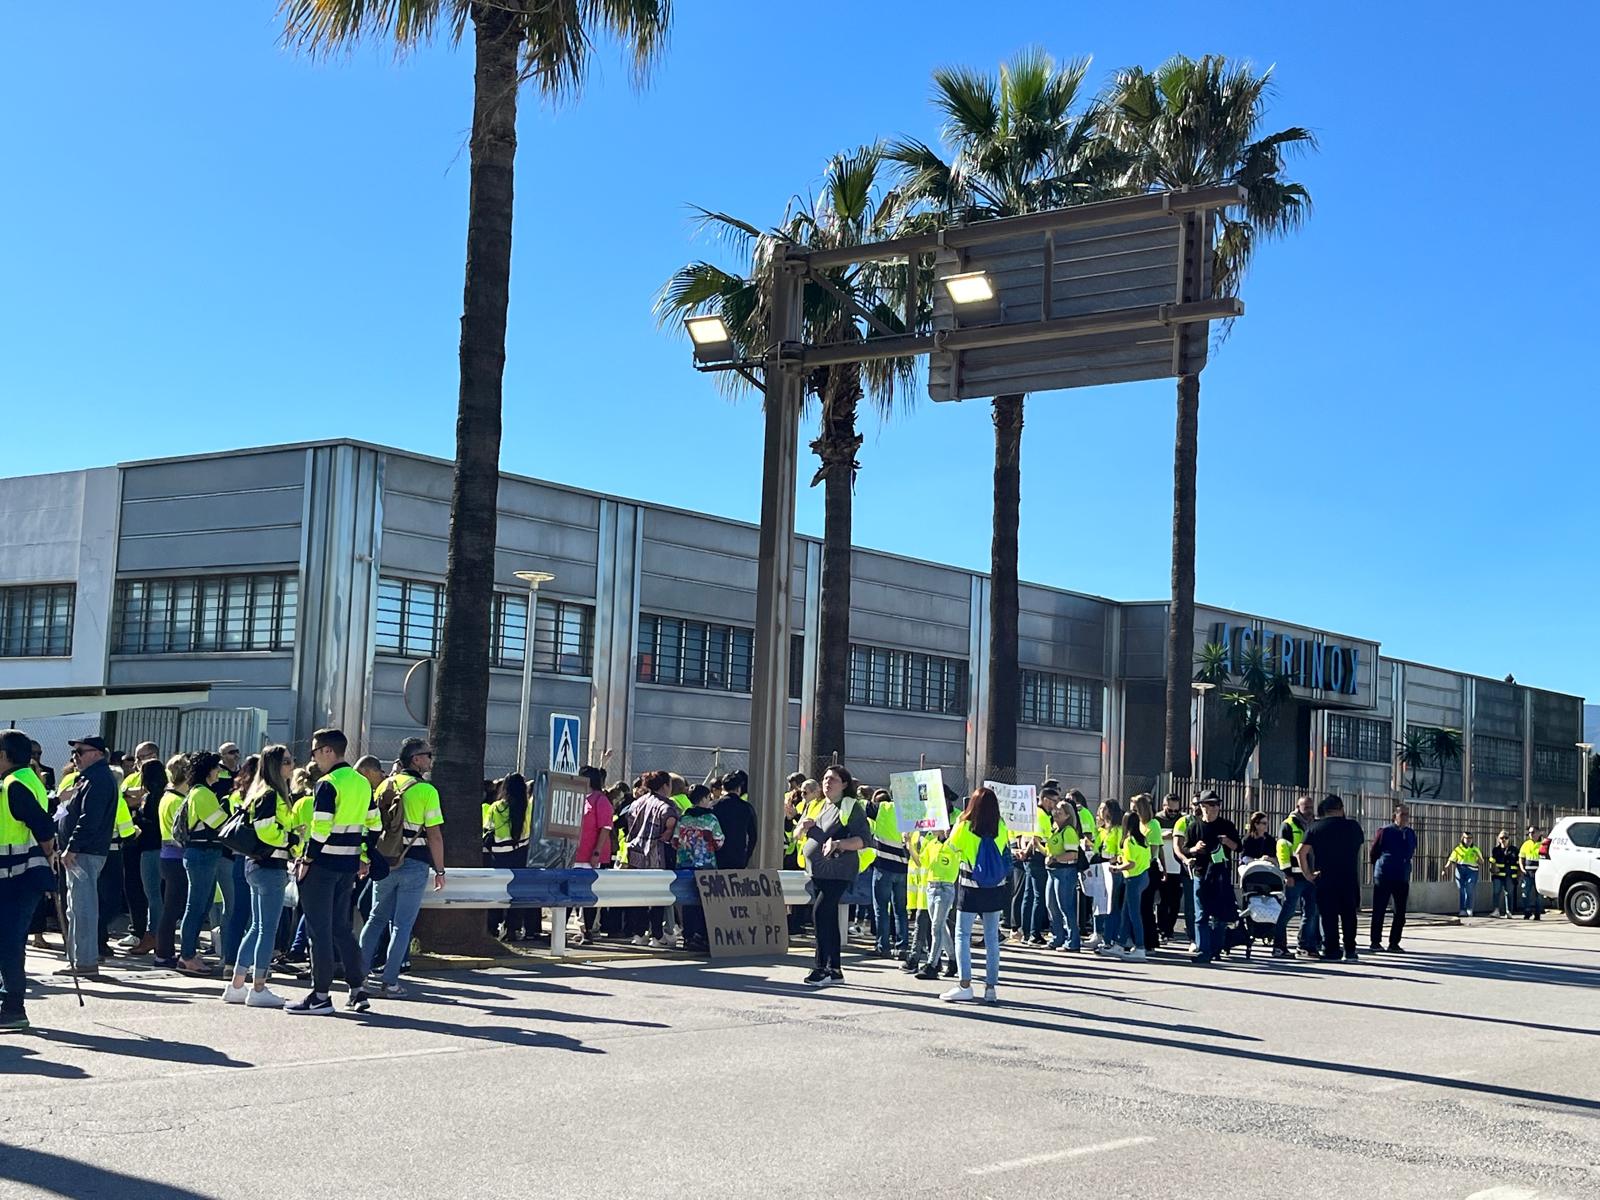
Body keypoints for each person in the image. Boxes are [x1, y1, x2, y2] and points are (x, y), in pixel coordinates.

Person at [288, 728, 378, 1016]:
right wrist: (363, 856)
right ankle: (357, 989)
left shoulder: (327, 784)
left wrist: (307, 860)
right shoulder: (363, 783)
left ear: (328, 751)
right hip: (348, 866)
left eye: (315, 751)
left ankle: (321, 995)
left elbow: (321, 828)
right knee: (342, 927)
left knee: (319, 930)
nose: (313, 757)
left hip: (323, 865)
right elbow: (374, 825)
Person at [359, 737, 446, 997]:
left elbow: (370, 826)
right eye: (427, 755)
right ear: (415, 759)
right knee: (402, 925)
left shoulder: (384, 785)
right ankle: (390, 981)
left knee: (375, 919)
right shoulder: (427, 791)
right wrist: (440, 870)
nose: (430, 759)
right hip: (415, 861)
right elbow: (435, 835)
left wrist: (366, 857)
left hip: (384, 861)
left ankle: (359, 976)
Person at [225, 744, 299, 1008]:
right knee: (267, 929)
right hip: (270, 866)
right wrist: (291, 841)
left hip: (255, 864)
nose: (292, 765)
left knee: (257, 927)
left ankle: (237, 985)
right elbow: (267, 831)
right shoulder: (273, 794)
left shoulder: (259, 792)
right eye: (288, 761)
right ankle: (258, 988)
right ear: (277, 766)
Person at [1, 730, 58, 1031]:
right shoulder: (24, 778)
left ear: (4, 755)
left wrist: (49, 855)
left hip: (18, 877)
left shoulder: (14, 784)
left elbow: (42, 824)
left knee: (9, 942)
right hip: (19, 876)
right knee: (9, 941)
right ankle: (9, 1003)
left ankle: (13, 1007)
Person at [798, 765, 871, 986]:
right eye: (825, 778)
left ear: (845, 784)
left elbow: (864, 839)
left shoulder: (851, 806)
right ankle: (834, 968)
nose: (828, 782)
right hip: (820, 872)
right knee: (826, 917)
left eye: (834, 779)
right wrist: (808, 827)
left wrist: (839, 843)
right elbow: (811, 835)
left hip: (838, 871)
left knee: (821, 913)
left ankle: (823, 967)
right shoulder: (821, 805)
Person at [55, 735, 119, 980]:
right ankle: (77, 959)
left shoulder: (98, 779)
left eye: (79, 752)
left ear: (97, 753)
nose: (75, 757)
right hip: (82, 851)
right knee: (76, 907)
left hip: (84, 852)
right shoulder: (91, 778)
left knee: (83, 907)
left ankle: (85, 961)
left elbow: (89, 818)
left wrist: (72, 847)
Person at [941, 787, 1011, 1004]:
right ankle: (991, 988)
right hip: (995, 888)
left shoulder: (964, 827)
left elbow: (950, 849)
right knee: (991, 938)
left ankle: (965, 984)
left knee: (962, 934)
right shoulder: (1001, 826)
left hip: (970, 887)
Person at [175, 751, 229, 977]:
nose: (219, 771)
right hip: (202, 854)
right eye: (217, 767)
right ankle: (187, 955)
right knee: (196, 905)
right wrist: (229, 806)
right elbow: (220, 823)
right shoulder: (203, 794)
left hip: (200, 854)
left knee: (202, 904)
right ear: (208, 769)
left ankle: (189, 953)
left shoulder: (197, 792)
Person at [1296, 795, 1365, 962]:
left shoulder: (1315, 827)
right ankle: (1350, 949)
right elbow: (1360, 850)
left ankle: (1332, 949)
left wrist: (1308, 874)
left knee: (1328, 915)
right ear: (1341, 808)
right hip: (1349, 877)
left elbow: (1300, 852)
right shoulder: (1353, 826)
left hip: (1325, 878)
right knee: (1349, 915)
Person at [1183, 791, 1240, 965]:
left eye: (1217, 804)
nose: (1216, 808)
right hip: (1201, 873)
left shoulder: (1227, 825)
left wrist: (1227, 841)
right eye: (1211, 804)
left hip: (1221, 874)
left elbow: (1238, 847)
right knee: (1201, 914)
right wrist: (1194, 849)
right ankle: (1203, 950)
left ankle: (1216, 949)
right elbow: (1185, 848)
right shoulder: (1194, 826)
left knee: (1220, 915)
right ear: (1202, 807)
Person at [624, 770, 678, 948]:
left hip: (636, 855)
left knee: (639, 896)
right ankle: (657, 935)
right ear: (665, 786)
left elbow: (628, 819)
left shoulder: (638, 802)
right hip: (656, 856)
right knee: (657, 897)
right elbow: (670, 823)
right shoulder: (666, 805)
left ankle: (639, 934)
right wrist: (667, 834)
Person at [123, 758, 168, 958]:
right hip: (165, 849)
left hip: (150, 848)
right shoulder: (167, 795)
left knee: (152, 895)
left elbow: (151, 824)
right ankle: (159, 935)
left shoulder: (150, 798)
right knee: (160, 895)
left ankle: (152, 934)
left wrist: (136, 818)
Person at [673, 784, 725, 952]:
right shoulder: (711, 819)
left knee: (687, 903)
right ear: (703, 799)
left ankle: (688, 936)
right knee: (705, 902)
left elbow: (674, 841)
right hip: (706, 865)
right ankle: (701, 936)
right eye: (708, 798)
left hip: (684, 864)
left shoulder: (684, 818)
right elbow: (719, 842)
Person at [152, 756, 192, 968]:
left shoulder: (167, 796)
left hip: (167, 856)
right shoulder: (178, 800)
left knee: (171, 907)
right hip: (177, 858)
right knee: (173, 909)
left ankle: (165, 951)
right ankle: (164, 952)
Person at [484, 773, 533, 941]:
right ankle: (512, 929)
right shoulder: (528, 808)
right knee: (517, 893)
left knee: (496, 892)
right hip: (521, 854)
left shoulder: (496, 807)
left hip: (499, 856)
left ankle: (492, 927)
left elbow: (487, 830)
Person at [1273, 795, 1319, 959]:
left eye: (1311, 807)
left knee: (1311, 912)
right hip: (1295, 876)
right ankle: (1279, 946)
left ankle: (1305, 946)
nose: (1309, 810)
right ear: (1298, 807)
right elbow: (1282, 850)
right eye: (1306, 807)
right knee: (1288, 911)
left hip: (1311, 876)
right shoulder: (1288, 825)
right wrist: (1287, 874)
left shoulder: (1314, 824)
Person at [572, 765, 614, 945]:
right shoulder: (580, 799)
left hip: (590, 855)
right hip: (576, 855)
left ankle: (589, 930)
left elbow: (605, 828)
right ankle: (576, 928)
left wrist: (596, 852)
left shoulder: (600, 800)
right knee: (572, 892)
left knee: (587, 893)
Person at [1103, 809, 1153, 961]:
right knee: (1125, 912)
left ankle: (1140, 947)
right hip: (1144, 876)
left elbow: (1131, 863)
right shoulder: (1143, 839)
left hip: (1133, 878)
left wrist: (1117, 868)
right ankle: (1120, 943)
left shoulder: (1128, 841)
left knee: (1134, 914)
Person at [1043, 792, 1089, 952]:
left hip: (1065, 872)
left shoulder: (1068, 831)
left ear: (1068, 816)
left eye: (1059, 812)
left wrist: (1055, 858)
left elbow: (1073, 854)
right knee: (1052, 906)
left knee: (1065, 907)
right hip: (1053, 871)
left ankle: (1073, 940)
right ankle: (1058, 937)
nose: (1055, 813)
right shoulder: (1056, 830)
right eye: (1055, 811)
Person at [867, 786, 909, 959]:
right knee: (900, 910)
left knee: (881, 909)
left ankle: (883, 946)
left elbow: (860, 803)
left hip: (883, 867)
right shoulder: (909, 814)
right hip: (903, 868)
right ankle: (902, 947)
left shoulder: (882, 809)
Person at [1369, 804, 1416, 952]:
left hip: (1402, 875)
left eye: (1407, 815)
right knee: (1379, 909)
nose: (1405, 818)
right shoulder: (1385, 831)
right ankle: (1375, 941)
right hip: (1384, 874)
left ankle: (1394, 942)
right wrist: (1381, 864)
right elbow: (1374, 851)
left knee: (1400, 911)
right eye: (1402, 815)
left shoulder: (1410, 833)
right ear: (1395, 816)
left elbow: (1411, 851)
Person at [1087, 799, 1123, 950]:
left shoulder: (1118, 830)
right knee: (1097, 901)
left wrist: (1114, 859)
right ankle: (1097, 932)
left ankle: (1110, 936)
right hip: (1098, 868)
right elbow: (1097, 848)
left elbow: (1121, 850)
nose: (1100, 811)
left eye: (1104, 808)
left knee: (1111, 905)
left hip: (1112, 869)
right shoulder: (1101, 830)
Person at [1153, 793, 1186, 943]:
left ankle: (1169, 929)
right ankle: (1162, 929)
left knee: (1175, 901)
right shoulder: (1157, 819)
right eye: (1170, 810)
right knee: (1163, 900)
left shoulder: (1182, 819)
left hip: (1177, 866)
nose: (1173, 814)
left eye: (1176, 811)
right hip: (1162, 864)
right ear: (1164, 806)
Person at [712, 771, 758, 870]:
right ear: (739, 788)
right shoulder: (747, 808)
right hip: (738, 857)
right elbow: (753, 836)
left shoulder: (714, 806)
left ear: (723, 788)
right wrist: (746, 857)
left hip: (717, 856)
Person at [1445, 832, 1482, 917]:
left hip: (1472, 870)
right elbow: (1451, 859)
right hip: (1460, 870)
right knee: (1462, 890)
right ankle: (1462, 909)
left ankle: (1469, 908)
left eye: (1470, 838)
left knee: (1469, 888)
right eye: (1466, 838)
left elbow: (1481, 862)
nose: (1468, 840)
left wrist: (1478, 857)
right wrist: (1446, 868)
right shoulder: (1458, 849)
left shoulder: (1475, 849)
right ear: (1462, 839)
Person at [1489, 830, 1518, 918]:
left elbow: (1518, 862)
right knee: (1496, 893)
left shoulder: (1514, 850)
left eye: (1506, 838)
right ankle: (1496, 911)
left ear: (1509, 839)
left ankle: (1509, 912)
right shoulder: (1495, 850)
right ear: (1498, 839)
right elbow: (1492, 861)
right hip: (1498, 876)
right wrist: (1493, 868)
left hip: (1510, 876)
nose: (1503, 839)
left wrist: (1519, 875)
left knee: (1509, 893)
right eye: (1501, 838)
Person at [1519, 826, 1544, 920]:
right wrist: (1522, 868)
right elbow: (1521, 857)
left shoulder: (1542, 844)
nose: (1531, 834)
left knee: (1539, 894)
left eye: (1533, 832)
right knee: (1525, 893)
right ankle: (1527, 911)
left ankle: (1537, 913)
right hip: (1528, 873)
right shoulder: (1526, 844)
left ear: (1538, 833)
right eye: (1529, 833)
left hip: (1539, 872)